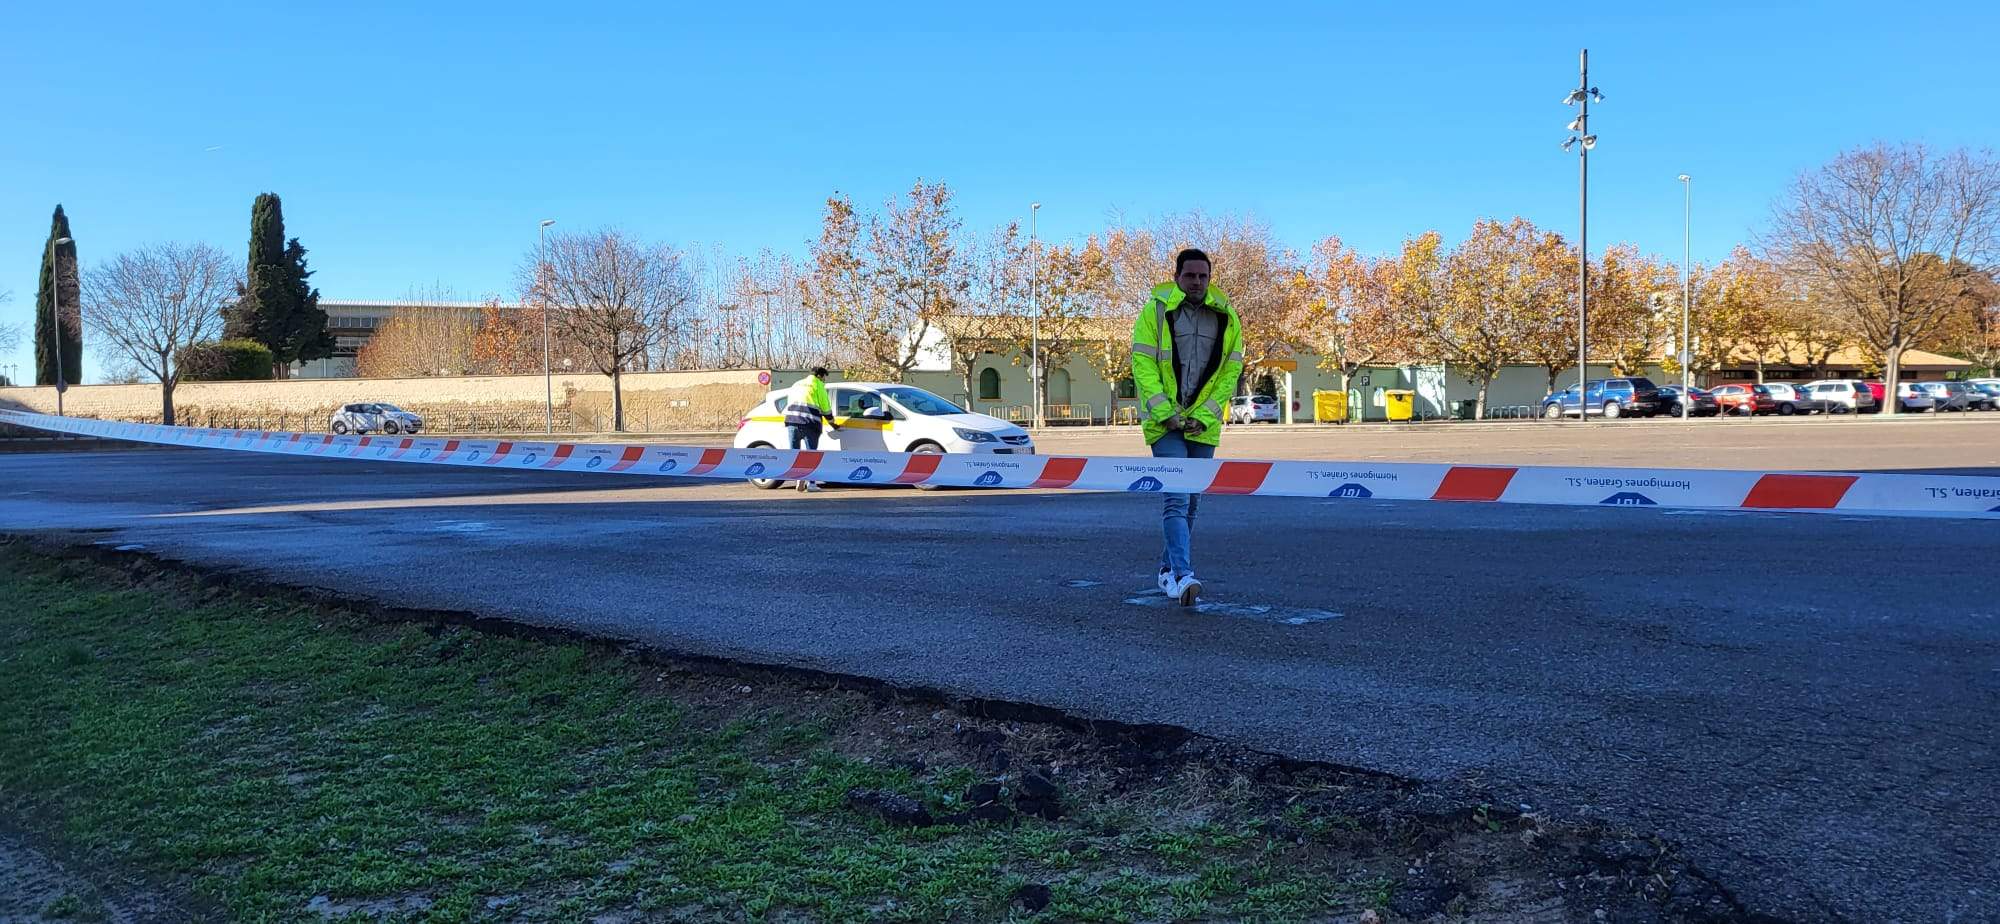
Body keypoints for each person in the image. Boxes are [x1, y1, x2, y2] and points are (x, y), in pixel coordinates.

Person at [1130, 248, 1244, 606]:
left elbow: (1230, 373)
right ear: (1177, 276)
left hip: (1201, 424)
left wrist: (1205, 416)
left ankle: (1166, 569)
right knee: (1176, 498)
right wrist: (1166, 413)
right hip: (1166, 424)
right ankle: (1182, 575)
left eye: (1203, 276)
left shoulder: (1226, 317)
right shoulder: (1156, 310)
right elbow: (1143, 366)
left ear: (1210, 279)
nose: (1197, 282)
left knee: (1193, 501)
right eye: (1190, 275)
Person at [783, 366, 838, 492]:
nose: (824, 380)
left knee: (795, 454)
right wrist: (832, 423)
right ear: (819, 375)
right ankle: (811, 483)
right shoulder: (818, 385)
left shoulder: (797, 384)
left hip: (792, 422)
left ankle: (798, 477)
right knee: (811, 455)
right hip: (809, 423)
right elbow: (825, 407)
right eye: (824, 377)